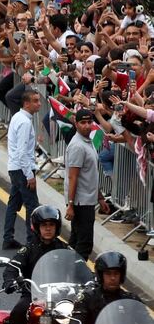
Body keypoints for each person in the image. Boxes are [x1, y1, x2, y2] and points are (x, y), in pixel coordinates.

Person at [2, 205, 69, 324]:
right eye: (44, 225)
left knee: (79, 318)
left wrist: (91, 281)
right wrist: (11, 281)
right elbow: (12, 267)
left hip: (60, 297)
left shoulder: (66, 250)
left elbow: (79, 268)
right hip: (33, 295)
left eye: (51, 225)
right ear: (37, 227)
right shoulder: (29, 249)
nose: (48, 228)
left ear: (57, 227)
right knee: (18, 311)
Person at [65, 109, 110, 260]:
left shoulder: (87, 142)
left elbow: (89, 174)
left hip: (88, 199)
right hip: (81, 202)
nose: (86, 126)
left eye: (89, 122)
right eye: (83, 123)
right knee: (84, 244)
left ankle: (68, 273)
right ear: (76, 124)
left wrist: (100, 197)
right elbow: (73, 177)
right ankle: (76, 276)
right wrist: (70, 204)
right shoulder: (78, 146)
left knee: (76, 240)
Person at [3, 89, 41, 249]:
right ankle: (32, 241)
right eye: (36, 101)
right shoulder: (25, 122)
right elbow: (22, 151)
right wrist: (29, 175)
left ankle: (8, 237)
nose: (39, 104)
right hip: (22, 169)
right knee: (32, 206)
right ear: (26, 103)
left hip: (14, 167)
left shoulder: (18, 117)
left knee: (13, 204)